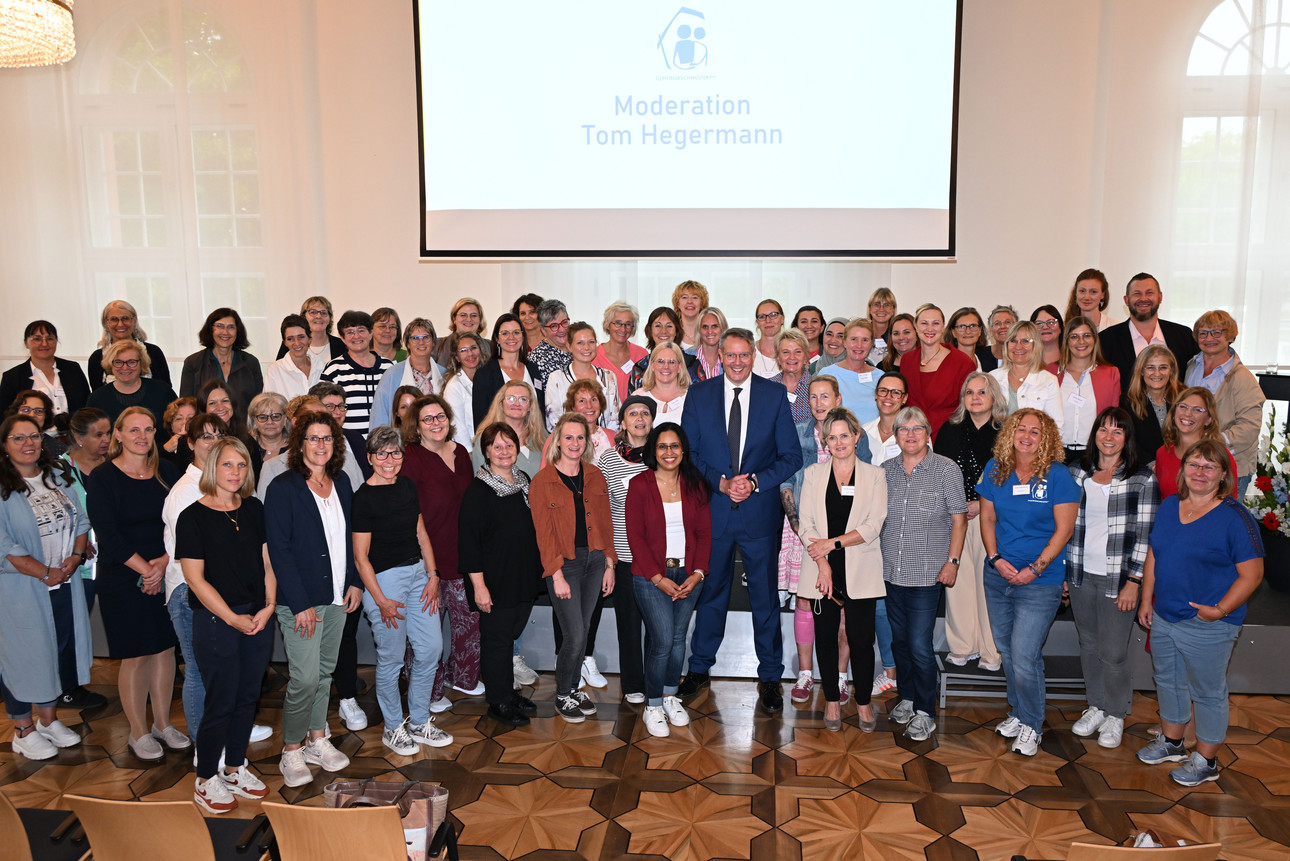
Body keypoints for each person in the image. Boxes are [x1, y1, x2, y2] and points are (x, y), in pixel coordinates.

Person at [678, 328, 803, 712]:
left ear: (754, 356)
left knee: (765, 599)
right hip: (713, 512)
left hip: (759, 515)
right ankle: (699, 668)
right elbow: (688, 453)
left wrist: (754, 482)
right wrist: (720, 483)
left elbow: (791, 456)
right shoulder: (699, 394)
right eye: (730, 355)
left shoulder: (773, 395)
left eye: (744, 355)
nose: (736, 362)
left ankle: (770, 677)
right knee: (710, 595)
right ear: (721, 356)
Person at [1136, 439, 1263, 786]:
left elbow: (1252, 575)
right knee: (1168, 680)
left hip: (1208, 623)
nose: (1200, 472)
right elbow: (1155, 554)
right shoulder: (1169, 506)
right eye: (1194, 464)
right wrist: (1147, 599)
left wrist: (1219, 610)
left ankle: (1206, 761)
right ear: (1183, 470)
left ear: (1223, 474)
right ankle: (1173, 742)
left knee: (1207, 693)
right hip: (1165, 614)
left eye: (1209, 466)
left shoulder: (1235, 518)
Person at [175, 438, 276, 813]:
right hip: (218, 620)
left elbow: (267, 562)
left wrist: (269, 605)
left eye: (242, 465)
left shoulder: (254, 508)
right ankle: (205, 778)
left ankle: (234, 768)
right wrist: (232, 618)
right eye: (227, 464)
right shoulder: (192, 516)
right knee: (221, 700)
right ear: (212, 467)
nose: (235, 472)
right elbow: (195, 579)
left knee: (248, 696)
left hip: (258, 615)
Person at [84, 407, 187, 761]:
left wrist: (161, 564)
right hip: (122, 576)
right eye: (133, 430)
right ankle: (138, 732)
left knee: (164, 650)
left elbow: (180, 523)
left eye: (148, 429)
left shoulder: (167, 472)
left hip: (164, 568)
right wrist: (146, 570)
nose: (142, 436)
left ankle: (162, 724)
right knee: (137, 653)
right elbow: (108, 534)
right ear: (118, 434)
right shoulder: (102, 477)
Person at [264, 411, 361, 787]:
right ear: (299, 444)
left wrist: (355, 582)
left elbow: (351, 538)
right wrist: (299, 602)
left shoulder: (343, 482)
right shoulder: (283, 487)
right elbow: (279, 549)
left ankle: (317, 739)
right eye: (313, 438)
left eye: (327, 438)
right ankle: (291, 749)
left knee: (324, 673)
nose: (321, 445)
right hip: (300, 601)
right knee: (304, 679)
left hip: (337, 597)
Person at [976, 408, 1080, 756]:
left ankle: (1033, 725)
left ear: (1046, 439)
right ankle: (1019, 714)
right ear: (1011, 433)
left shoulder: (1058, 475)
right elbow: (987, 518)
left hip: (1040, 581)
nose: (1027, 436)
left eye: (1035, 431)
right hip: (998, 576)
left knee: (1024, 654)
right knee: (1007, 651)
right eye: (1021, 429)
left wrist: (1035, 569)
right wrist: (995, 558)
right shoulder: (996, 468)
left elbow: (1064, 530)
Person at [352, 426, 453, 753]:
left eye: (395, 452)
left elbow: (421, 534)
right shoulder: (363, 498)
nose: (389, 459)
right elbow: (361, 558)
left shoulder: (407, 486)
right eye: (381, 453)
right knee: (392, 659)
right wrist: (380, 600)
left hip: (419, 577)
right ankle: (393, 727)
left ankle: (419, 721)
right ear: (370, 458)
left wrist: (433, 575)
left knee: (431, 649)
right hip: (384, 583)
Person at [0, 414, 92, 761]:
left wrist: (76, 556)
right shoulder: (3, 488)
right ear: (4, 445)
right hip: (21, 590)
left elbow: (80, 520)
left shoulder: (56, 477)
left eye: (34, 436)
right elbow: (4, 546)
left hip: (63, 583)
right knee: (21, 657)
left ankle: (49, 720)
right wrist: (44, 573)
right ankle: (23, 729)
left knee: (54, 651)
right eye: (18, 438)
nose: (28, 444)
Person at [1066, 407, 1159, 750]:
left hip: (1119, 579)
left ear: (1126, 438)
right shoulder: (1076, 472)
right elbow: (1063, 525)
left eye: (1117, 431)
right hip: (1080, 573)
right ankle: (1097, 706)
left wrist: (1134, 581)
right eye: (1103, 430)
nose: (1108, 437)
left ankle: (1116, 714)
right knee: (1088, 645)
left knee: (1113, 652)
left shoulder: (1142, 478)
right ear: (1094, 435)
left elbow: (1145, 536)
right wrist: (1064, 572)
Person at [880, 406, 967, 742]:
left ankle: (925, 712)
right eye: (904, 429)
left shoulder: (946, 469)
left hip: (927, 574)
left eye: (917, 428)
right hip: (890, 571)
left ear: (928, 433)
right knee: (899, 642)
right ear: (896, 436)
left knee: (919, 644)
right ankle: (907, 696)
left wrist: (952, 562)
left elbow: (959, 519)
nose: (911, 434)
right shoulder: (885, 471)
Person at [797, 407, 887, 732]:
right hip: (821, 570)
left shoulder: (875, 476)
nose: (838, 442)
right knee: (825, 639)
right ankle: (832, 701)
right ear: (825, 441)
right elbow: (805, 523)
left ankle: (862, 702)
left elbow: (874, 525)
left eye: (844, 436)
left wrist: (832, 544)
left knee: (861, 640)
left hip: (860, 569)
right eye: (832, 437)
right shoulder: (813, 474)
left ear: (856, 437)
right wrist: (823, 563)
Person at [783, 376, 870, 705]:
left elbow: (866, 481)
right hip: (803, 533)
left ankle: (840, 676)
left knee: (843, 605)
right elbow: (786, 483)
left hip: (846, 535)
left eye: (825, 396)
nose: (819, 403)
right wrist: (798, 527)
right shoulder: (798, 432)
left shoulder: (856, 435)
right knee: (806, 601)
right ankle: (805, 674)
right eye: (813, 397)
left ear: (838, 399)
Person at [530, 413, 616, 722]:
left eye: (580, 437)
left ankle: (573, 688)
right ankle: (563, 694)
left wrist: (609, 564)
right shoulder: (542, 482)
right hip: (564, 565)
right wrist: (556, 575)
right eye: (568, 437)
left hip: (596, 561)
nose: (575, 443)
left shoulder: (595, 475)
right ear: (557, 441)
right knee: (575, 635)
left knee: (584, 630)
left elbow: (605, 523)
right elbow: (544, 535)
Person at [627, 423, 711, 737]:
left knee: (678, 640)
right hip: (651, 577)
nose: (668, 452)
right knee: (662, 641)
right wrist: (657, 577)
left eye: (674, 446)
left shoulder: (695, 484)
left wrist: (698, 573)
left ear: (683, 450)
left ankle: (669, 696)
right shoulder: (640, 484)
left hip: (689, 576)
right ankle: (652, 705)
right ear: (653, 451)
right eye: (662, 446)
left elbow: (705, 533)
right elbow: (635, 536)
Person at [457, 422, 543, 726]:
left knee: (509, 638)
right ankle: (498, 701)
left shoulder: (523, 481)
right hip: (494, 582)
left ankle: (507, 691)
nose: (504, 451)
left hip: (523, 576)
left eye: (509, 445)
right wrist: (479, 587)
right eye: (497, 446)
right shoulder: (478, 491)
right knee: (497, 643)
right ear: (486, 452)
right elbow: (469, 545)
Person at [400, 395, 479, 713]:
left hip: (462, 556)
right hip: (426, 561)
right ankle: (428, 691)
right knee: (425, 635)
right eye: (428, 418)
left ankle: (462, 678)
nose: (436, 423)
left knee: (469, 624)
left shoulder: (461, 453)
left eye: (441, 416)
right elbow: (407, 512)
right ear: (416, 426)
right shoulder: (410, 457)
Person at [161, 412, 234, 748]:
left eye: (219, 434)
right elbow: (192, 552)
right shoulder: (186, 491)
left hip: (217, 587)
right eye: (205, 436)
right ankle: (203, 742)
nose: (214, 441)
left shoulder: (222, 482)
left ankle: (223, 729)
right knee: (199, 667)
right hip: (188, 589)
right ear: (189, 443)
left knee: (219, 667)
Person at [935, 373, 1006, 672]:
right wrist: (956, 507)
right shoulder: (948, 430)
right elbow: (938, 473)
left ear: (994, 397)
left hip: (992, 515)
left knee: (988, 584)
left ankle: (991, 650)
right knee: (958, 582)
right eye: (970, 392)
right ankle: (962, 646)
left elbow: (1012, 477)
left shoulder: (1007, 432)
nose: (975, 397)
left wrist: (983, 504)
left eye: (982, 392)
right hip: (955, 517)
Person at [596, 395, 656, 705]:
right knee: (629, 625)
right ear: (622, 422)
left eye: (645, 413)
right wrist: (608, 559)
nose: (639, 418)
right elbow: (601, 511)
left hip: (657, 557)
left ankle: (655, 682)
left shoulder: (663, 455)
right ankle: (633, 684)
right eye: (633, 413)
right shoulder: (608, 459)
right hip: (624, 557)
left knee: (658, 627)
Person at [57, 408, 113, 712]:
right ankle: (66, 688)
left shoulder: (112, 465)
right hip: (78, 564)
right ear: (78, 438)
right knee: (72, 625)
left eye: (108, 433)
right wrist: (78, 541)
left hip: (114, 559)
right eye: (98, 434)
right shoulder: (58, 471)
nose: (106, 440)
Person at [1183, 310, 1264, 498]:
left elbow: (1250, 427)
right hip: (1195, 463)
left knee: (1223, 516)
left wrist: (1211, 442)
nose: (1209, 338)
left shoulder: (1242, 378)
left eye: (1216, 332)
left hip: (1230, 467)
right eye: (1203, 333)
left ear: (1230, 336)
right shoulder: (1191, 366)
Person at [1099, 273, 1200, 398]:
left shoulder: (1183, 336)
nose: (1143, 298)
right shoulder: (1106, 340)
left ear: (1160, 297)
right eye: (1137, 293)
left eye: (1149, 293)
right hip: (1126, 410)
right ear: (1126, 300)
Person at [320, 310, 393, 468]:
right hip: (348, 450)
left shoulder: (389, 367)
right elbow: (322, 411)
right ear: (342, 338)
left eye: (361, 330)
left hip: (386, 448)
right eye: (350, 332)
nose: (356, 336)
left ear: (371, 333)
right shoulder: (334, 369)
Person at [900, 304, 975, 441]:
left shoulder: (963, 363)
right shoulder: (906, 360)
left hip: (949, 438)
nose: (930, 329)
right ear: (915, 326)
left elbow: (969, 409)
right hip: (911, 438)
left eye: (935, 323)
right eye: (924, 323)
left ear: (943, 327)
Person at [1054, 316, 1121, 463]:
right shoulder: (1051, 372)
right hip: (1056, 454)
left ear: (1095, 339)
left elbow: (1113, 417)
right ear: (1066, 341)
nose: (1081, 341)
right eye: (1074, 336)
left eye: (1086, 335)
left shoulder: (1111, 373)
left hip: (1094, 453)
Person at [1155, 387, 1238, 499]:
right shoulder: (1163, 453)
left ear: (1209, 419)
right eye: (1183, 407)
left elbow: (1230, 503)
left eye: (1197, 410)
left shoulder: (1220, 456)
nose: (1188, 413)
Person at [0, 321, 91, 420]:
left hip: (73, 429)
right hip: (33, 430)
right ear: (26, 343)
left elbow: (86, 406)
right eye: (37, 339)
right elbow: (6, 417)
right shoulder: (12, 377)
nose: (44, 344)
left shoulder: (73, 369)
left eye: (49, 338)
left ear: (56, 341)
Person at [86, 340, 179, 434]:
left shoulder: (162, 391)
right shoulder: (97, 398)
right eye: (118, 362)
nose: (125, 367)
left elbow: (179, 426)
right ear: (110, 365)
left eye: (131, 362)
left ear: (141, 363)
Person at [179, 308, 263, 409]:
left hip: (243, 419)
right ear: (210, 330)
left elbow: (258, 404)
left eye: (231, 327)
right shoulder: (193, 363)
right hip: (205, 419)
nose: (225, 332)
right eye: (219, 326)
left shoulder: (251, 362)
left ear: (237, 331)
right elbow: (186, 406)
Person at [544, 322, 621, 432]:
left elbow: (615, 420)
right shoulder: (556, 378)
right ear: (569, 346)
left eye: (591, 342)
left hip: (605, 440)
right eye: (580, 343)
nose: (586, 347)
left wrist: (601, 439)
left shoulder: (609, 377)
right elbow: (553, 422)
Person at [371, 318, 443, 432]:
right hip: (401, 440)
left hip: (438, 438)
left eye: (426, 337)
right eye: (415, 338)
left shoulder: (444, 374)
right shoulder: (391, 375)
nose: (421, 342)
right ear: (408, 344)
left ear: (433, 342)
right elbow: (379, 416)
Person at [472, 313, 543, 428]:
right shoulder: (484, 374)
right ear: (497, 339)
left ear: (522, 336)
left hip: (533, 437)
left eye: (516, 332)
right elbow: (481, 420)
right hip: (500, 438)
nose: (511, 337)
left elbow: (541, 412)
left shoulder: (533, 369)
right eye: (505, 333)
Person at [87, 300, 173, 391]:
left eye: (125, 318)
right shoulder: (97, 358)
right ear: (106, 323)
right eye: (114, 319)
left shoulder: (153, 352)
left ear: (134, 320)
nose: (120, 324)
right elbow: (97, 394)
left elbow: (166, 390)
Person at [989, 321, 1063, 424]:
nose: (1018, 347)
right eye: (1013, 341)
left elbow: (1056, 426)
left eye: (1025, 341)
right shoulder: (992, 378)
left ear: (1035, 345)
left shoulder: (1049, 381)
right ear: (1006, 345)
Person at [471, 380, 547, 478]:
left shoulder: (541, 436)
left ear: (530, 407)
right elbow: (481, 480)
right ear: (501, 403)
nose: (517, 403)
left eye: (523, 399)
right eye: (511, 398)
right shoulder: (486, 438)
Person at [1125, 344, 1183, 466]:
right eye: (1150, 367)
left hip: (1182, 465)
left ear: (1171, 370)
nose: (1157, 373)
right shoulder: (1128, 402)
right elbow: (1128, 440)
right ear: (1141, 371)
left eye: (1163, 367)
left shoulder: (1184, 398)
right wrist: (1153, 465)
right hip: (1145, 468)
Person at [817, 319, 880, 426]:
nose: (859, 345)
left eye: (865, 340)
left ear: (871, 344)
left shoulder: (880, 377)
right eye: (854, 339)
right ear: (845, 342)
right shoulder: (827, 374)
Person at [627, 307, 698, 393]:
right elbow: (632, 400)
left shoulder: (693, 364)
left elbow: (702, 397)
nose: (664, 331)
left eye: (669, 326)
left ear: (676, 331)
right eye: (658, 326)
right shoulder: (639, 368)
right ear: (650, 330)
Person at [594, 301, 648, 398]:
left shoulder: (642, 355)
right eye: (618, 323)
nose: (623, 329)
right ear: (608, 325)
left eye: (628, 324)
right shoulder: (594, 356)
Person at [274, 297, 345, 366]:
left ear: (329, 318)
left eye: (323, 313)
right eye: (313, 312)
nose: (318, 316)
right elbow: (279, 369)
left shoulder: (342, 345)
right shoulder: (291, 344)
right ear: (303, 317)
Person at [264, 314, 322, 400]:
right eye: (290, 339)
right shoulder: (275, 370)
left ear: (310, 339)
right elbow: (269, 404)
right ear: (284, 342)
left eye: (301, 337)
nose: (297, 343)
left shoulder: (322, 366)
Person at [442, 332, 484, 447]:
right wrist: (469, 453)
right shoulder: (454, 386)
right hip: (469, 449)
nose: (470, 354)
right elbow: (458, 427)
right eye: (463, 350)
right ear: (457, 357)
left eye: (473, 348)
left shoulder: (487, 378)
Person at [637, 342, 692, 427]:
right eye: (661, 361)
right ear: (652, 365)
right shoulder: (638, 397)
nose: (666, 366)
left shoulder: (692, 398)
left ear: (679, 367)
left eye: (672, 362)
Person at [528, 299, 573, 390]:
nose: (562, 330)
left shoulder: (579, 347)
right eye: (554, 326)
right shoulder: (535, 360)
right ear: (543, 330)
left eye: (564, 322)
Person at [6, 390, 65, 458]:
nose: (32, 415)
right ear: (15, 413)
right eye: (26, 410)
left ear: (46, 416)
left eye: (38, 411)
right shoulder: (3, 442)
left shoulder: (58, 449)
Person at [435, 298, 490, 367]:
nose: (469, 319)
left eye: (473, 315)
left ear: (480, 319)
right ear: (454, 319)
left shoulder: (492, 347)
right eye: (463, 315)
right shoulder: (436, 346)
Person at [946, 307, 996, 373]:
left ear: (980, 330)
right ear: (953, 332)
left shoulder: (989, 365)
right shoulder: (946, 364)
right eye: (962, 326)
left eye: (973, 326)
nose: (968, 331)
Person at [248, 392, 290, 465]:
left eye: (275, 416)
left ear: (285, 420)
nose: (269, 422)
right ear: (254, 421)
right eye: (263, 417)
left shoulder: (297, 449)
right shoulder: (246, 448)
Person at [688, 307, 728, 382]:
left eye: (714, 326)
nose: (709, 331)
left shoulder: (730, 358)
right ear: (699, 330)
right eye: (705, 327)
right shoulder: (685, 357)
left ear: (722, 328)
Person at [159, 397, 198, 467]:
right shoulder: (159, 450)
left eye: (191, 418)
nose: (185, 422)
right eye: (179, 419)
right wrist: (165, 449)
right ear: (171, 425)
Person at [751, 299, 785, 379]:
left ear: (782, 319)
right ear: (757, 322)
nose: (768, 320)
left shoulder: (792, 353)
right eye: (762, 316)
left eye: (773, 315)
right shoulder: (749, 352)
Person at [672, 280, 709, 349]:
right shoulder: (671, 332)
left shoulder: (710, 332)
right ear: (677, 303)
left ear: (702, 303)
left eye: (695, 297)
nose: (689, 301)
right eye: (684, 297)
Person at [866, 289, 898, 366]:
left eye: (886, 305)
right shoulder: (862, 334)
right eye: (877, 304)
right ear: (870, 309)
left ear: (893, 310)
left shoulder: (898, 337)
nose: (881, 309)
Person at [791, 305, 826, 371]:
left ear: (822, 327)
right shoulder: (788, 355)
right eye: (804, 322)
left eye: (814, 321)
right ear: (796, 328)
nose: (809, 326)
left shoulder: (829, 354)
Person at [986, 305, 1019, 370]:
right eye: (997, 323)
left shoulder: (1023, 355)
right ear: (991, 331)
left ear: (1017, 328)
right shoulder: (979, 356)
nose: (1002, 326)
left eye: (1007, 322)